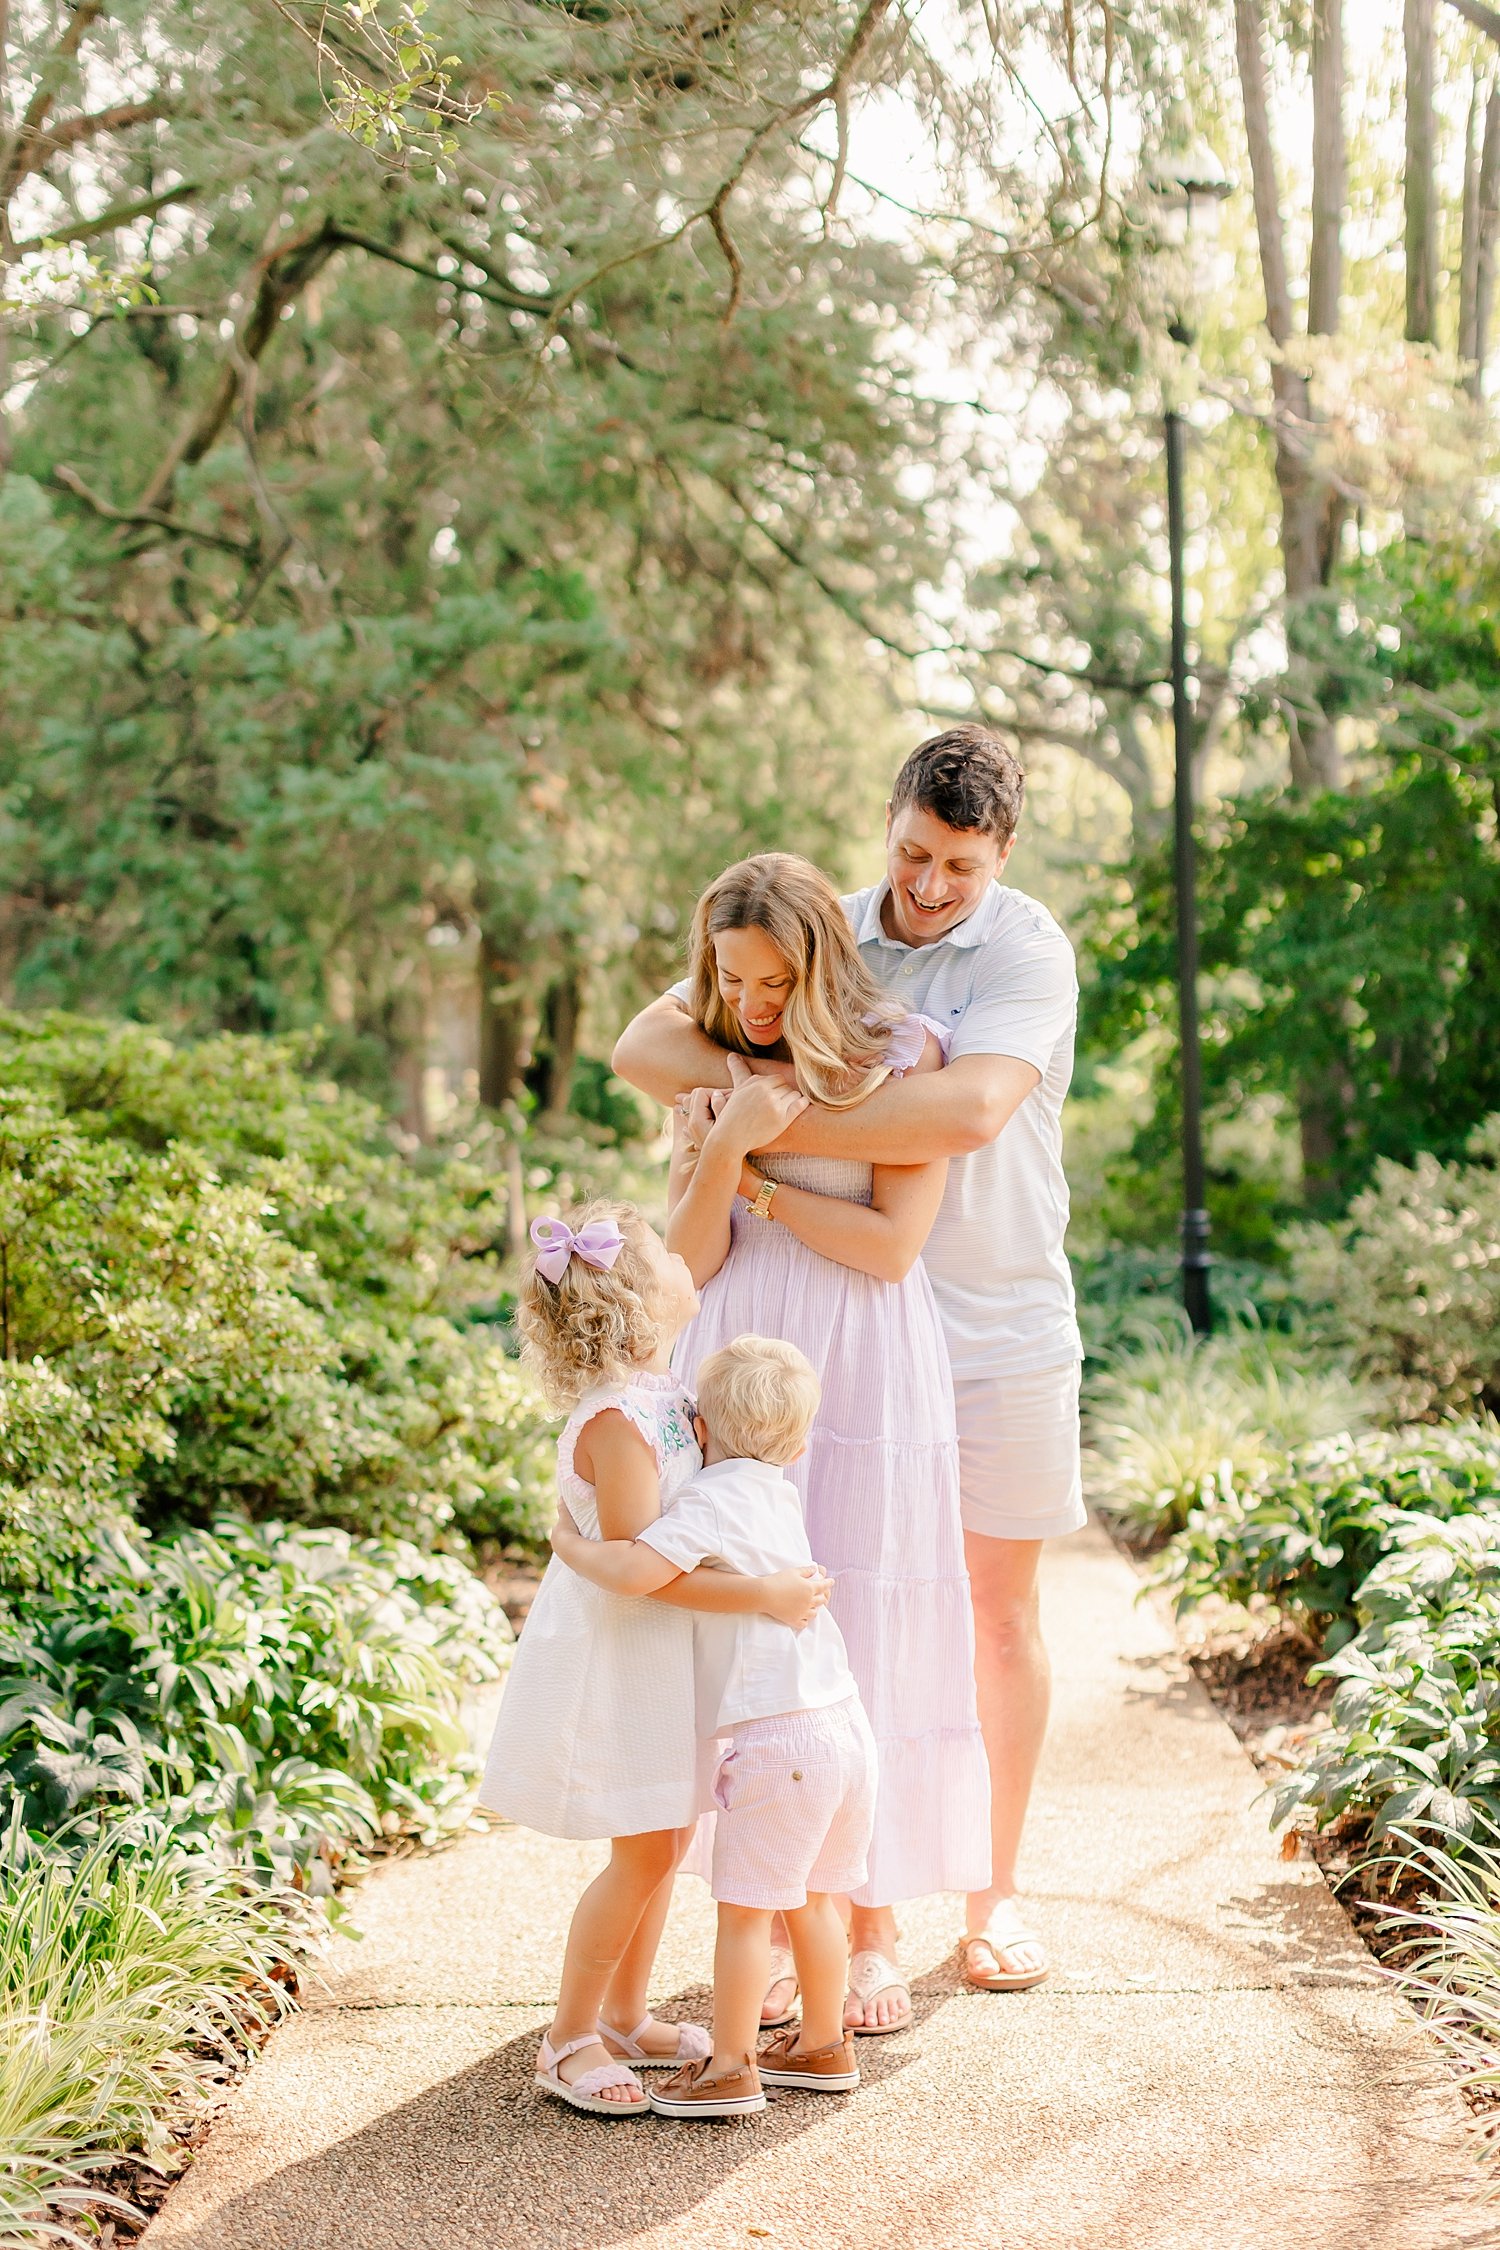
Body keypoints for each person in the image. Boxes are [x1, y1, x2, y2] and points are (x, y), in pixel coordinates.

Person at [613, 724, 1085, 1997]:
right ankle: (821, 1908)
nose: (931, 886)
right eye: (916, 853)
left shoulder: (1027, 952)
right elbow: (649, 1047)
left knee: (990, 1614)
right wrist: (747, 1091)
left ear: (1002, 859)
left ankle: (989, 1895)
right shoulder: (821, 930)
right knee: (841, 1604)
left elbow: (967, 1111)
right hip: (818, 1334)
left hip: (991, 1319)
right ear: (888, 824)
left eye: (962, 868)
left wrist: (765, 1125)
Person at [647, 852, 992, 2035]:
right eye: (731, 979)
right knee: (756, 1631)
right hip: (741, 1365)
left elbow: (895, 1247)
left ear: (822, 965)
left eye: (773, 981)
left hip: (865, 1357)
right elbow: (686, 1261)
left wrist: (772, 1186)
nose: (749, 1004)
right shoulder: (722, 1063)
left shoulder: (909, 1058)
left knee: (870, 1624)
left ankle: (872, 1923)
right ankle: (768, 1916)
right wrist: (730, 1136)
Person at [478, 1201, 830, 2117]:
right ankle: (569, 2037)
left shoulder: (670, 1397)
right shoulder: (621, 1425)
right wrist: (763, 1593)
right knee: (640, 1851)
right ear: (639, 1297)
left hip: (668, 1658)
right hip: (624, 1659)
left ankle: (628, 2016)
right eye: (670, 1254)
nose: (688, 1259)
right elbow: (640, 1576)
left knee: (667, 1840)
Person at [552, 1335, 876, 2119]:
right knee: (815, 1902)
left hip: (782, 1747)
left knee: (746, 1915)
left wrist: (568, 1540)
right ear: (798, 1445)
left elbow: (636, 1572)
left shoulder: (707, 1499)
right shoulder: (780, 1496)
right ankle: (822, 2045)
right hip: (844, 1727)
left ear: (698, 1433)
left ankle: (730, 2069)